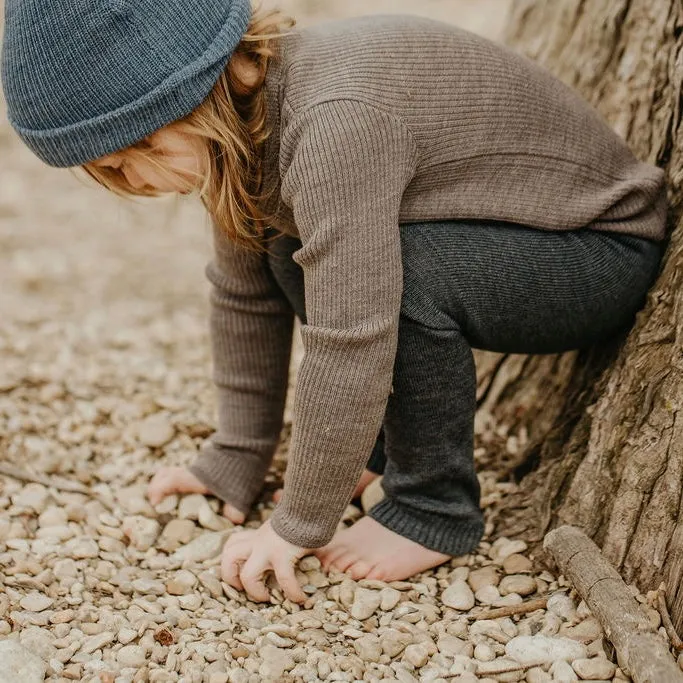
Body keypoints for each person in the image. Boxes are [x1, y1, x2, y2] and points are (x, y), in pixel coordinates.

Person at [2, 0, 668, 605]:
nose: (138, 181)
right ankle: (376, 454)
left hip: (592, 247)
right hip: (500, 236)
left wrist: (298, 523)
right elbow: (242, 298)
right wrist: (237, 455)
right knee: (288, 258)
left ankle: (432, 506)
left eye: (139, 152)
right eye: (110, 173)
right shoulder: (241, 132)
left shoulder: (331, 121)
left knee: (393, 280)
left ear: (210, 86)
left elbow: (352, 330)